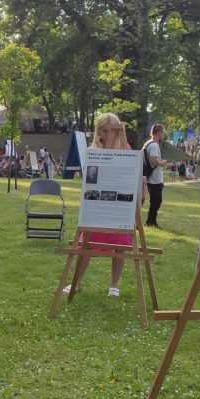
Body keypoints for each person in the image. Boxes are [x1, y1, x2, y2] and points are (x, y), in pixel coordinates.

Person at [71, 113, 135, 297]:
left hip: (119, 206)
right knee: (86, 243)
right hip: (98, 206)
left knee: (120, 243)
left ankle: (114, 285)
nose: (107, 135)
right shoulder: (93, 150)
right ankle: (76, 282)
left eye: (111, 131)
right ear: (98, 131)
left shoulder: (126, 150)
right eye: (104, 131)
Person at [143, 124, 168, 227]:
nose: (163, 136)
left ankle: (151, 221)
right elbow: (153, 160)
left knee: (155, 201)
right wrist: (163, 162)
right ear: (159, 134)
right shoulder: (154, 145)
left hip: (150, 177)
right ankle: (151, 221)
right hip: (154, 179)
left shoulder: (147, 143)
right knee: (156, 201)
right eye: (163, 134)